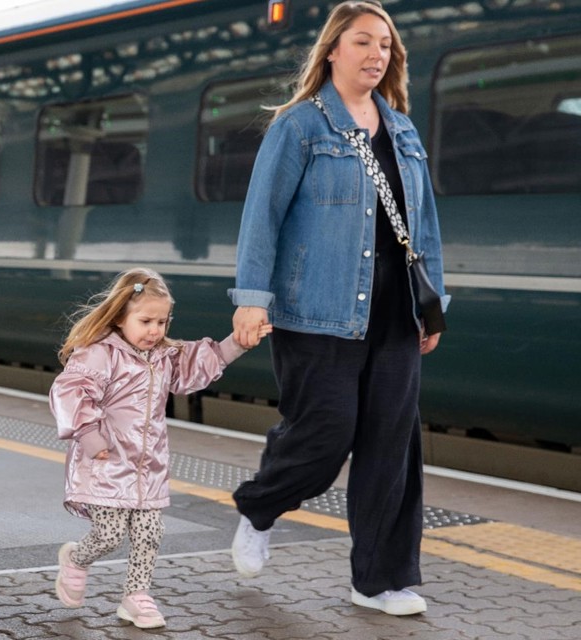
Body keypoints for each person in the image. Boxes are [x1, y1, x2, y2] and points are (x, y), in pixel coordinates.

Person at [228, 1, 449, 617]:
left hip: (396, 311)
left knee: (392, 446)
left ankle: (378, 581)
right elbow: (261, 218)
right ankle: (260, 506)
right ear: (332, 51)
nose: (376, 54)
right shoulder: (300, 126)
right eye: (362, 42)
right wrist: (251, 300)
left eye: (385, 45)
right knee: (324, 434)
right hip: (316, 308)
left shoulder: (401, 130)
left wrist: (434, 306)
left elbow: (424, 226)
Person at [49, 268, 270, 629]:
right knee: (108, 536)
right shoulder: (99, 354)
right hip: (106, 462)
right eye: (146, 321)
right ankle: (76, 558)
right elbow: (71, 391)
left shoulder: (165, 356)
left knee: (150, 534)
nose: (155, 330)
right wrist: (88, 433)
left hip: (148, 466)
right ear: (121, 316)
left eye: (163, 322)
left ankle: (137, 597)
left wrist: (238, 343)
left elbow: (200, 364)